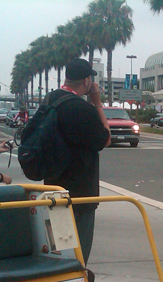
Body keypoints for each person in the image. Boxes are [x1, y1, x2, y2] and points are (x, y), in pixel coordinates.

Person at [43, 58, 111, 264]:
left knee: (59, 251)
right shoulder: (82, 109)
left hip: (53, 188)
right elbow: (105, 138)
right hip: (81, 195)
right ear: (86, 81)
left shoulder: (49, 100)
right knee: (78, 256)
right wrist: (97, 102)